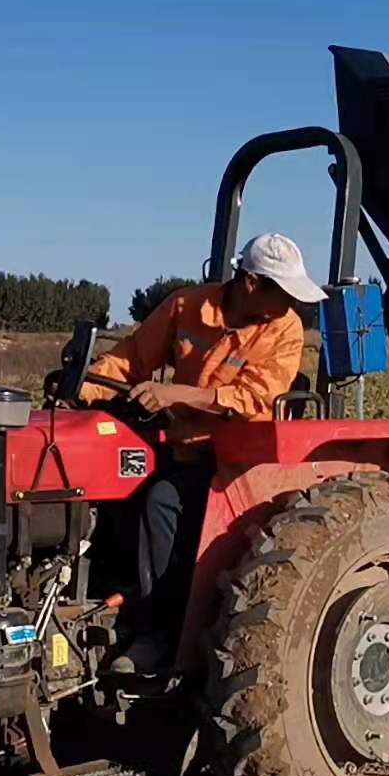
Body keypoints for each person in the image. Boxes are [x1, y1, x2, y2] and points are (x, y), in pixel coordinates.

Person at [80, 232, 326, 672]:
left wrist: (176, 393)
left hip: (240, 459)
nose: (292, 305)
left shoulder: (284, 329)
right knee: (109, 484)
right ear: (251, 283)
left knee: (163, 502)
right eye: (283, 293)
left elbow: (252, 399)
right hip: (184, 446)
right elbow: (132, 357)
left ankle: (159, 638)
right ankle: (101, 605)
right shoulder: (187, 306)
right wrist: (83, 388)